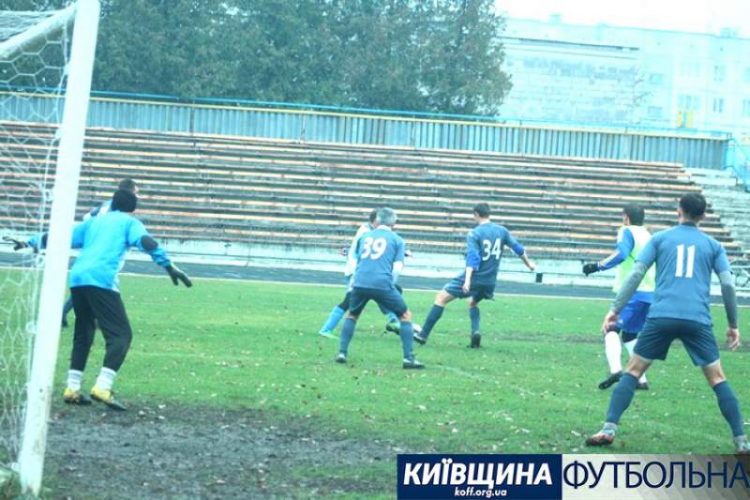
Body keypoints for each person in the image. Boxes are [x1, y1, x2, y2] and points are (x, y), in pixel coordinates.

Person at [585, 193, 748, 453]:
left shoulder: (660, 238)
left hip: (661, 316)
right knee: (717, 378)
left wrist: (615, 309)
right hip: (697, 319)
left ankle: (608, 429)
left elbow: (636, 274)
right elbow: (728, 284)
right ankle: (741, 442)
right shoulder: (714, 245)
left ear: (678, 210)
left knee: (633, 371)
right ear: (703, 216)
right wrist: (733, 325)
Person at [17, 189, 192, 411]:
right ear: (133, 208)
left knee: (83, 332)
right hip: (101, 279)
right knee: (121, 335)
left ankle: (72, 388)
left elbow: (63, 236)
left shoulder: (94, 222)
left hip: (78, 278)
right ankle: (103, 386)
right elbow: (145, 241)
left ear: (113, 204)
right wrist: (168, 265)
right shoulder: (129, 223)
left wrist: (30, 242)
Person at [414, 203, 535, 347]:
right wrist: (529, 264)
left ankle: (423, 335)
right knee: (472, 303)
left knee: (441, 298)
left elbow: (473, 258)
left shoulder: (475, 233)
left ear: (476, 214)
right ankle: (475, 333)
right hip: (490, 281)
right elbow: (518, 248)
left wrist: (467, 281)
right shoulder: (502, 231)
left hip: (475, 277)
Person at [335, 207, 424, 369]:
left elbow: (357, 260)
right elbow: (397, 268)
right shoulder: (397, 240)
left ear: (377, 220)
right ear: (394, 223)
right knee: (405, 315)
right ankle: (408, 358)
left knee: (352, 315)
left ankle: (342, 353)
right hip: (382, 283)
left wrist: (356, 279)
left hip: (360, 281)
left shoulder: (365, 236)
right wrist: (391, 284)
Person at [583, 205, 654, 390]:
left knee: (610, 328)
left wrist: (597, 266)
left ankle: (615, 370)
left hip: (632, 292)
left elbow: (622, 253)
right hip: (650, 293)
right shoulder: (648, 235)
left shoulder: (626, 231)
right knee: (630, 335)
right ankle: (641, 379)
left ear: (626, 217)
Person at [61, 178, 139, 328]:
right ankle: (99, 317)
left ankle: (72, 314)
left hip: (95, 244)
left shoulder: (107, 204)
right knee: (102, 282)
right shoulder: (115, 208)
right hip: (103, 248)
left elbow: (87, 217)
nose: (137, 197)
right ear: (129, 192)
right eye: (136, 193)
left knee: (91, 283)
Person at [318, 208, 401, 338]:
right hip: (358, 273)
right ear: (376, 221)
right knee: (349, 301)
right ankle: (326, 329)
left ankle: (394, 320)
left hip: (362, 272)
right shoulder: (367, 233)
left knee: (385, 294)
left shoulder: (366, 231)